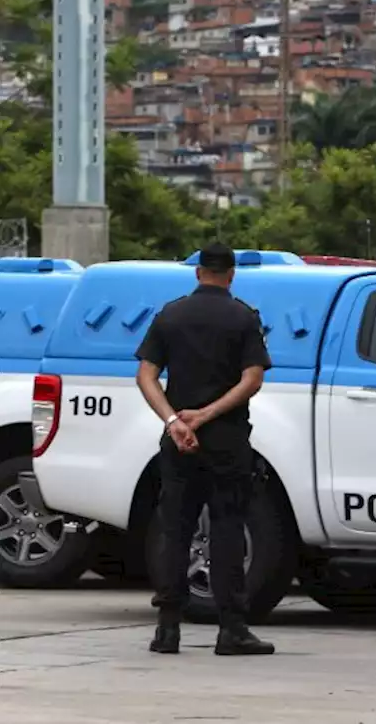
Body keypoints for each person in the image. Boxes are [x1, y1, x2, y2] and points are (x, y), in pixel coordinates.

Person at [134, 243, 275, 656]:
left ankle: (167, 629)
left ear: (197, 273)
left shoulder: (171, 314)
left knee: (176, 529)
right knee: (228, 528)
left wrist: (175, 421)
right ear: (231, 274)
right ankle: (231, 629)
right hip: (227, 440)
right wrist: (206, 415)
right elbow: (252, 379)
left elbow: (145, 375)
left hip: (179, 442)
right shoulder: (243, 317)